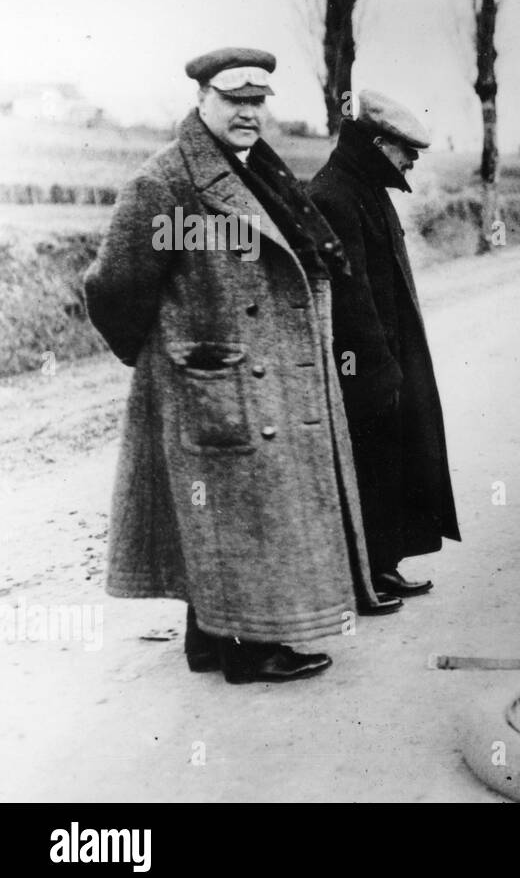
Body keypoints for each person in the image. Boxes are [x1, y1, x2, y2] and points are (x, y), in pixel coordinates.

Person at [83, 48, 383, 683]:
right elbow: (115, 288)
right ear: (201, 99)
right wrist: (171, 357)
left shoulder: (258, 171)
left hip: (256, 378)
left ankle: (209, 639)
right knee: (237, 511)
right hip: (215, 381)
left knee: (231, 511)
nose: (248, 112)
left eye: (258, 101)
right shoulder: (165, 184)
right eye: (233, 99)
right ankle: (248, 652)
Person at [308, 90, 460, 611]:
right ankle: (361, 581)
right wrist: (376, 371)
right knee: (365, 469)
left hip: (385, 360)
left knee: (387, 464)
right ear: (377, 144)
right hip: (363, 366)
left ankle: (382, 566)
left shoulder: (363, 187)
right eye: (404, 149)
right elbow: (349, 301)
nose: (411, 159)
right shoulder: (334, 194)